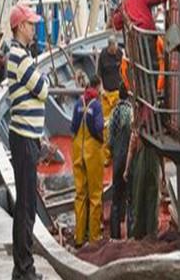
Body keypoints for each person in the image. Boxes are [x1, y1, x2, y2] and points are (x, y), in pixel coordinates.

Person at [7, 4, 49, 280]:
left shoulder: (21, 56)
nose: (34, 29)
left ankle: (22, 268)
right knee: (25, 207)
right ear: (21, 26)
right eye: (31, 24)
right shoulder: (21, 58)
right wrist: (40, 78)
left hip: (25, 137)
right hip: (24, 138)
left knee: (26, 204)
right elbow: (43, 89)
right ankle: (25, 270)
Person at [71, 75, 105, 247]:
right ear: (97, 87)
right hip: (92, 152)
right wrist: (101, 141)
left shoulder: (78, 104)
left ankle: (79, 237)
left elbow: (73, 127)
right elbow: (98, 128)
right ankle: (94, 238)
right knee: (95, 195)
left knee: (80, 195)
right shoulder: (97, 106)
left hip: (78, 151)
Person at [124, 107, 160, 239]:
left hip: (141, 161)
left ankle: (138, 233)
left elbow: (131, 148)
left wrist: (126, 169)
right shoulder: (155, 117)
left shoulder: (137, 120)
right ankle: (151, 232)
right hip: (154, 161)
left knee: (138, 199)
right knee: (152, 198)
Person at [108, 83, 132, 239]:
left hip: (117, 158)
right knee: (131, 197)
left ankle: (114, 234)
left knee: (116, 197)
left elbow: (110, 140)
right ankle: (130, 233)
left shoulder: (113, 113)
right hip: (129, 160)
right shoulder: (131, 112)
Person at [97, 35, 123, 152]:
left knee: (120, 121)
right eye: (113, 49)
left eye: (116, 48)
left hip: (118, 93)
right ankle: (107, 152)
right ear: (109, 46)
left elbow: (124, 70)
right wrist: (101, 89)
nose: (114, 51)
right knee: (106, 124)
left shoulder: (119, 53)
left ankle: (118, 148)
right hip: (106, 93)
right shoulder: (103, 55)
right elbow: (99, 74)